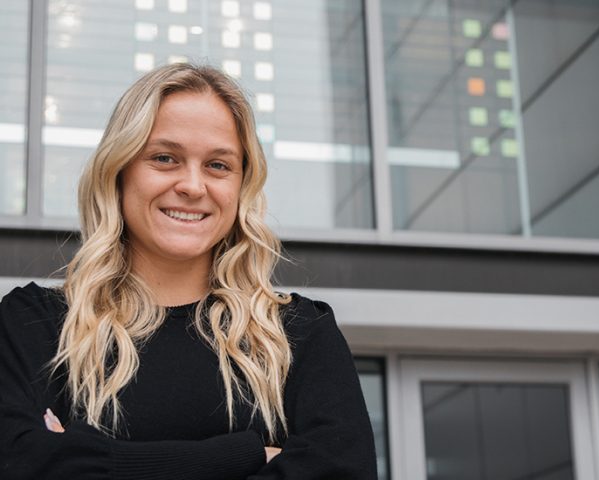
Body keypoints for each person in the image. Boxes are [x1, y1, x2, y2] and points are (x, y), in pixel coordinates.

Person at [0, 63, 377, 479]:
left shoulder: (300, 335)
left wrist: (84, 458)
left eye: (218, 165)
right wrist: (244, 457)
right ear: (119, 171)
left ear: (241, 186)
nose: (193, 186)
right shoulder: (33, 325)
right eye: (165, 158)